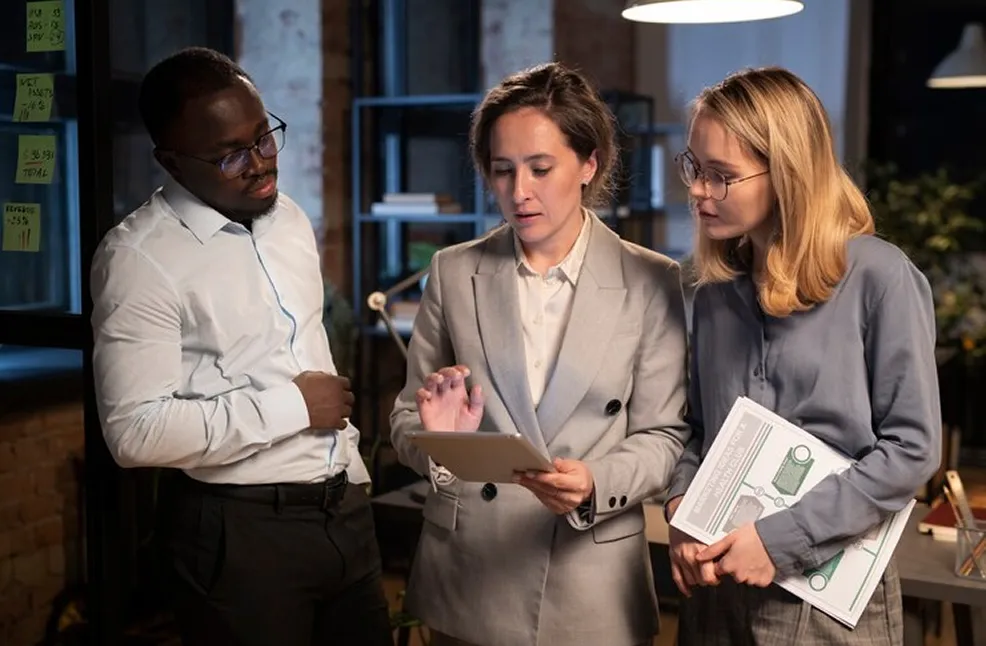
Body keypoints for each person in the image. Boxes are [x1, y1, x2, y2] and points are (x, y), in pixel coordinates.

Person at [90, 47, 392, 646]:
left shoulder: (290, 221)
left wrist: (351, 474)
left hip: (344, 515)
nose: (260, 165)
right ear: (171, 163)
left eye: (265, 137)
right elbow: (133, 433)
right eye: (231, 155)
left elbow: (303, 355)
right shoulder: (138, 260)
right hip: (239, 533)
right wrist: (294, 407)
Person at [389, 62, 691, 646]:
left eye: (540, 168)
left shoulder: (653, 280)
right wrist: (441, 445)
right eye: (502, 171)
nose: (518, 191)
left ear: (589, 164)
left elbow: (665, 436)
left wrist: (596, 481)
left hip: (592, 581)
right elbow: (406, 418)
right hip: (471, 572)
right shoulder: (455, 272)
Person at [664, 66, 941, 645]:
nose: (697, 191)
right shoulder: (713, 295)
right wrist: (682, 508)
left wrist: (779, 540)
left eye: (722, 176)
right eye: (694, 167)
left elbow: (913, 450)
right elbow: (698, 432)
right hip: (716, 592)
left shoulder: (881, 278)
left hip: (830, 606)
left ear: (786, 173)